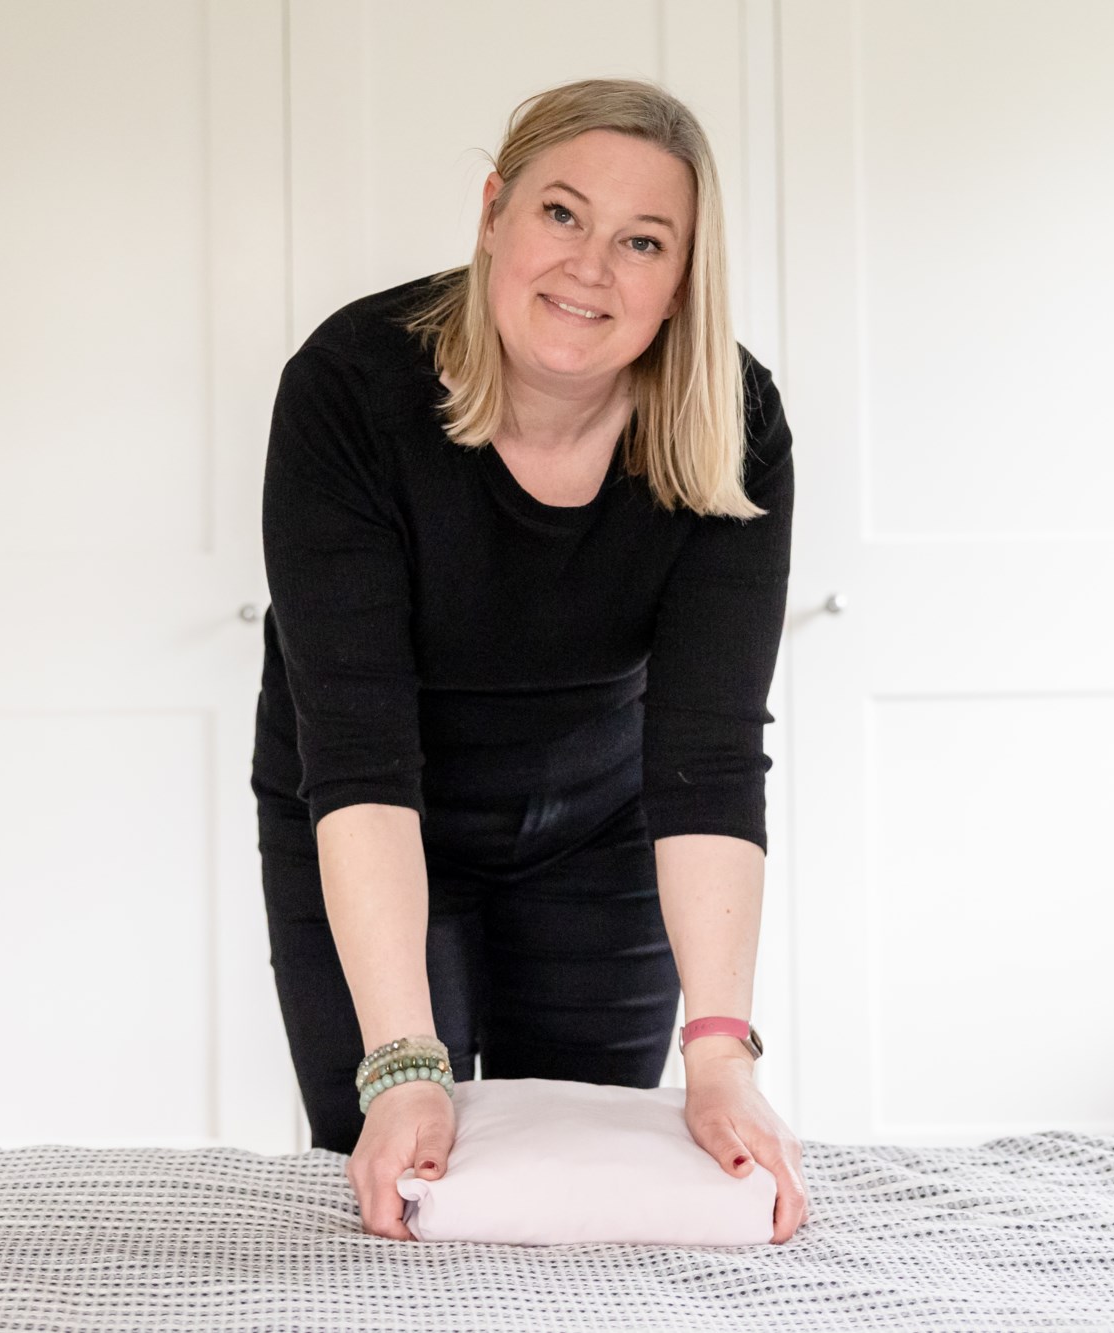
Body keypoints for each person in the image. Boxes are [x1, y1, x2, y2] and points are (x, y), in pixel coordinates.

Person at [249, 77, 809, 1244]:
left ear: (680, 277)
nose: (590, 266)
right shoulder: (350, 390)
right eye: (561, 214)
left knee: (587, 1200)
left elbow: (706, 754)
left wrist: (720, 1054)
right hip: (367, 816)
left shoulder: (727, 418)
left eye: (642, 240)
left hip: (599, 832)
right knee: (409, 1187)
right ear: (494, 211)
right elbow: (357, 753)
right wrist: (403, 1062)